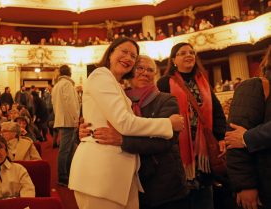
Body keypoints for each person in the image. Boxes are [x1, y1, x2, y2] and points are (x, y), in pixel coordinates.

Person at [69, 37, 184, 209]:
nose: (129, 58)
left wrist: (121, 140)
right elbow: (123, 122)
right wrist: (167, 124)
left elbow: (165, 141)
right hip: (103, 176)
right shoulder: (102, 76)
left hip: (151, 180)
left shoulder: (162, 99)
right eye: (124, 52)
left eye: (133, 55)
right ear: (110, 53)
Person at [157, 42, 226, 209]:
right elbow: (158, 113)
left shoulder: (202, 82)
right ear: (173, 60)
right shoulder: (164, 83)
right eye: (182, 53)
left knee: (205, 199)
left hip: (203, 151)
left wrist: (221, 137)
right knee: (182, 199)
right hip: (178, 149)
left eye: (191, 52)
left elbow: (217, 112)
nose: (188, 55)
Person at [225, 45, 271, 209]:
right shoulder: (254, 86)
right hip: (264, 185)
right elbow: (234, 139)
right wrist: (245, 185)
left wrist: (247, 137)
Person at [52, 65, 80, 186]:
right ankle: (63, 176)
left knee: (68, 149)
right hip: (68, 121)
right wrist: (76, 119)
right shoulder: (67, 84)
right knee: (65, 150)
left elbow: (54, 105)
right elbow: (71, 103)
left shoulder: (57, 86)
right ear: (70, 73)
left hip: (61, 119)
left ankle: (68, 174)